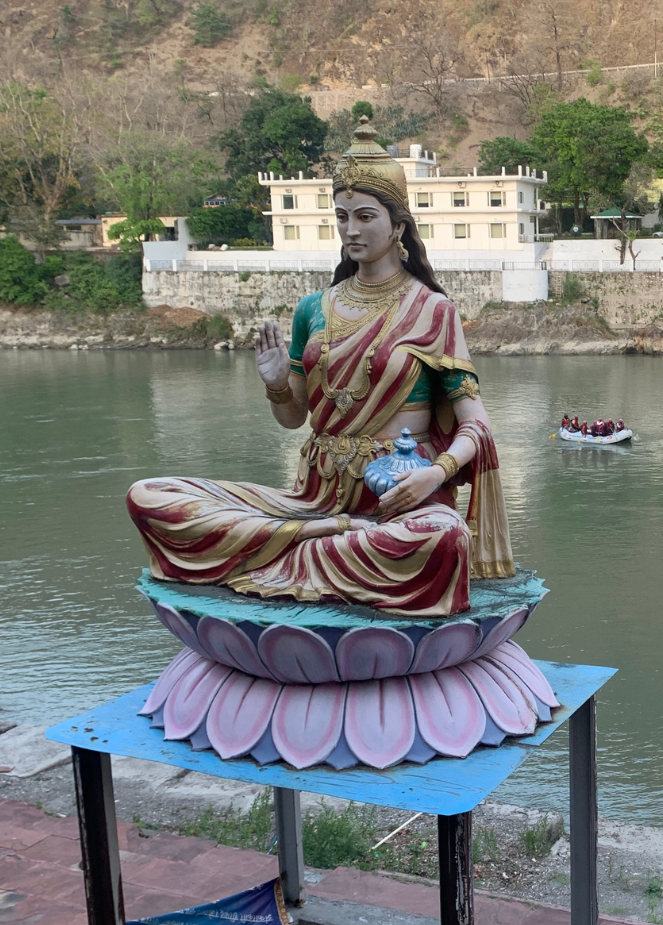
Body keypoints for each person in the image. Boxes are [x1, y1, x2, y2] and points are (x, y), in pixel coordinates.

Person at [125, 119, 514, 617]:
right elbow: (294, 418)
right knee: (151, 496)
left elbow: (475, 424)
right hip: (314, 497)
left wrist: (434, 474)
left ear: (398, 226)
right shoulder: (314, 308)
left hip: (400, 499)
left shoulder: (432, 310)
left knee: (442, 537)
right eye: (342, 216)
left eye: (366, 216)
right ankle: (322, 537)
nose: (351, 230)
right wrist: (275, 386)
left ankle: (280, 551)